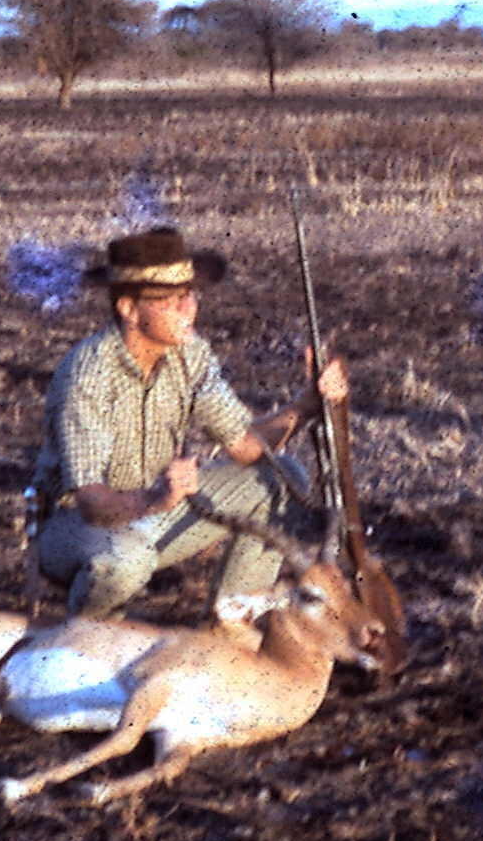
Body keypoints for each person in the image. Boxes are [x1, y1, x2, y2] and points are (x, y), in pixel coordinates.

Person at [30, 227, 347, 624]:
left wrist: (307, 404)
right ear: (129, 310)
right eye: (172, 300)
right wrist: (155, 500)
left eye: (191, 295)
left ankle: (231, 628)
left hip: (155, 507)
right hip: (75, 526)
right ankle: (88, 644)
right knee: (126, 559)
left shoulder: (191, 354)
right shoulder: (88, 375)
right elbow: (92, 503)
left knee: (284, 477)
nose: (189, 310)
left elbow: (246, 447)